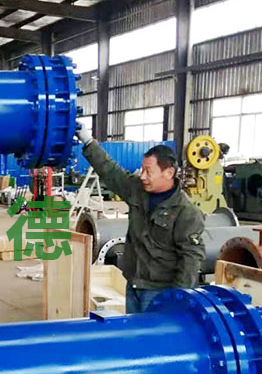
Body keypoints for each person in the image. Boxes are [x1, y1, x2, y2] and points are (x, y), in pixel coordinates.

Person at [75, 122, 205, 313]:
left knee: (156, 334)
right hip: (133, 285)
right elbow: (111, 171)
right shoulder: (137, 190)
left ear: (169, 173)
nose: (142, 176)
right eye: (142, 170)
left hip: (159, 292)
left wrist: (177, 300)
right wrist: (88, 142)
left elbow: (191, 260)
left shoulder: (186, 212)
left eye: (148, 172)